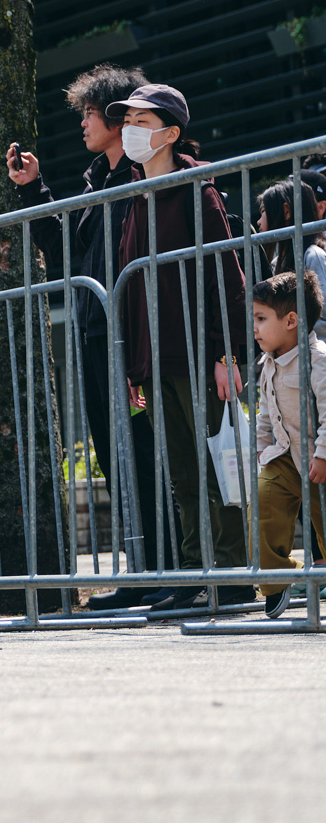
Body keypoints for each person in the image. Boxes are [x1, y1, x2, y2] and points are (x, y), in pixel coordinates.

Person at [7, 63, 162, 608]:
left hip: (133, 339)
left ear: (118, 118)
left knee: (143, 450)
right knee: (115, 453)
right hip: (96, 336)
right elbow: (65, 249)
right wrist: (33, 188)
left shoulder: (142, 177)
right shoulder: (97, 180)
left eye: (90, 113)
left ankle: (165, 572)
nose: (83, 123)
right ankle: (144, 573)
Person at [108, 84, 253, 609]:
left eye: (141, 121)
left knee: (216, 466)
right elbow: (128, 286)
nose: (130, 130)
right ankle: (195, 572)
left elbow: (227, 278)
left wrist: (227, 355)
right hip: (154, 361)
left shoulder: (198, 192)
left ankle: (232, 574)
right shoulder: (133, 198)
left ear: (170, 133)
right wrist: (134, 367)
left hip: (199, 355)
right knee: (183, 475)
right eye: (127, 121)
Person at [248, 271, 326, 618]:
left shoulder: (317, 360)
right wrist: (262, 447)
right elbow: (265, 412)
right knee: (263, 503)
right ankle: (278, 580)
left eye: (261, 319)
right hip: (285, 456)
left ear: (291, 321)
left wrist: (323, 455)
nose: (255, 328)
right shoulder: (267, 363)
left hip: (320, 459)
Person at [257, 179, 326, 341]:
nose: (258, 221)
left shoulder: (312, 255)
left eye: (263, 211)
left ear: (286, 211)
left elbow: (323, 314)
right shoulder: (276, 262)